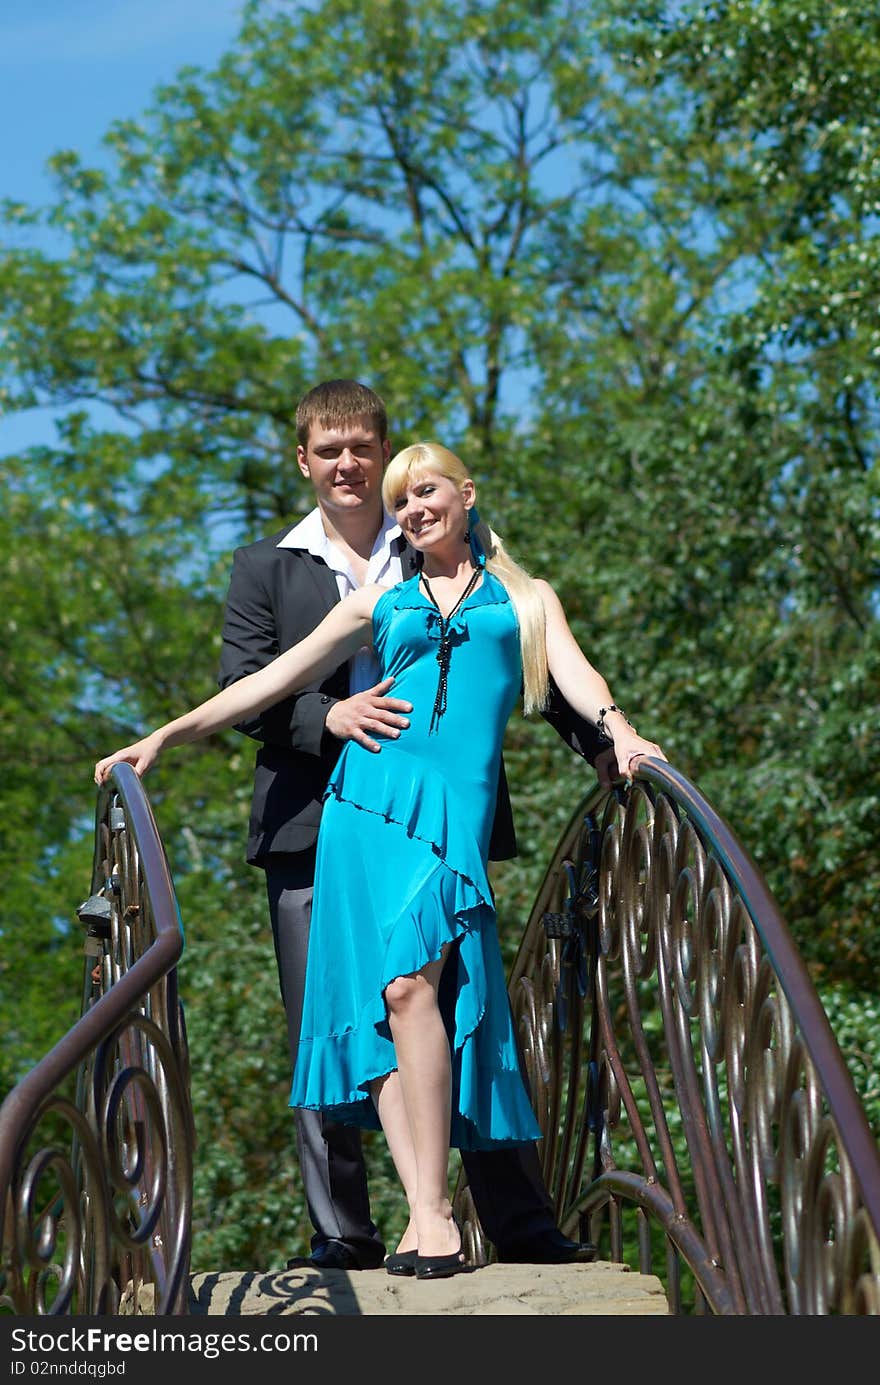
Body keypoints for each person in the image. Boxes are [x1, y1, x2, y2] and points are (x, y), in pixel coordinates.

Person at [94, 439, 667, 1280]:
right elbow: (267, 682)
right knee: (392, 1000)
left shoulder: (527, 599)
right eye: (402, 501)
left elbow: (577, 678)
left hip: (446, 816)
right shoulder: (381, 597)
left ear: (466, 494)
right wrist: (164, 736)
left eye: (425, 490)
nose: (413, 509)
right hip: (364, 808)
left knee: (412, 986)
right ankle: (429, 1215)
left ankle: (438, 1212)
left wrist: (622, 735)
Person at [214, 380, 613, 1274]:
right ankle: (345, 1230)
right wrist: (331, 720)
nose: (347, 465)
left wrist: (609, 747)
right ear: (305, 461)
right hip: (313, 822)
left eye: (363, 448)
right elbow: (251, 688)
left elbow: (522, 649)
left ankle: (510, 1217)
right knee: (336, 1017)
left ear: (388, 454)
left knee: (460, 1003)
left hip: (431, 819)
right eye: (329, 450)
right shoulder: (266, 568)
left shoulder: (432, 539)